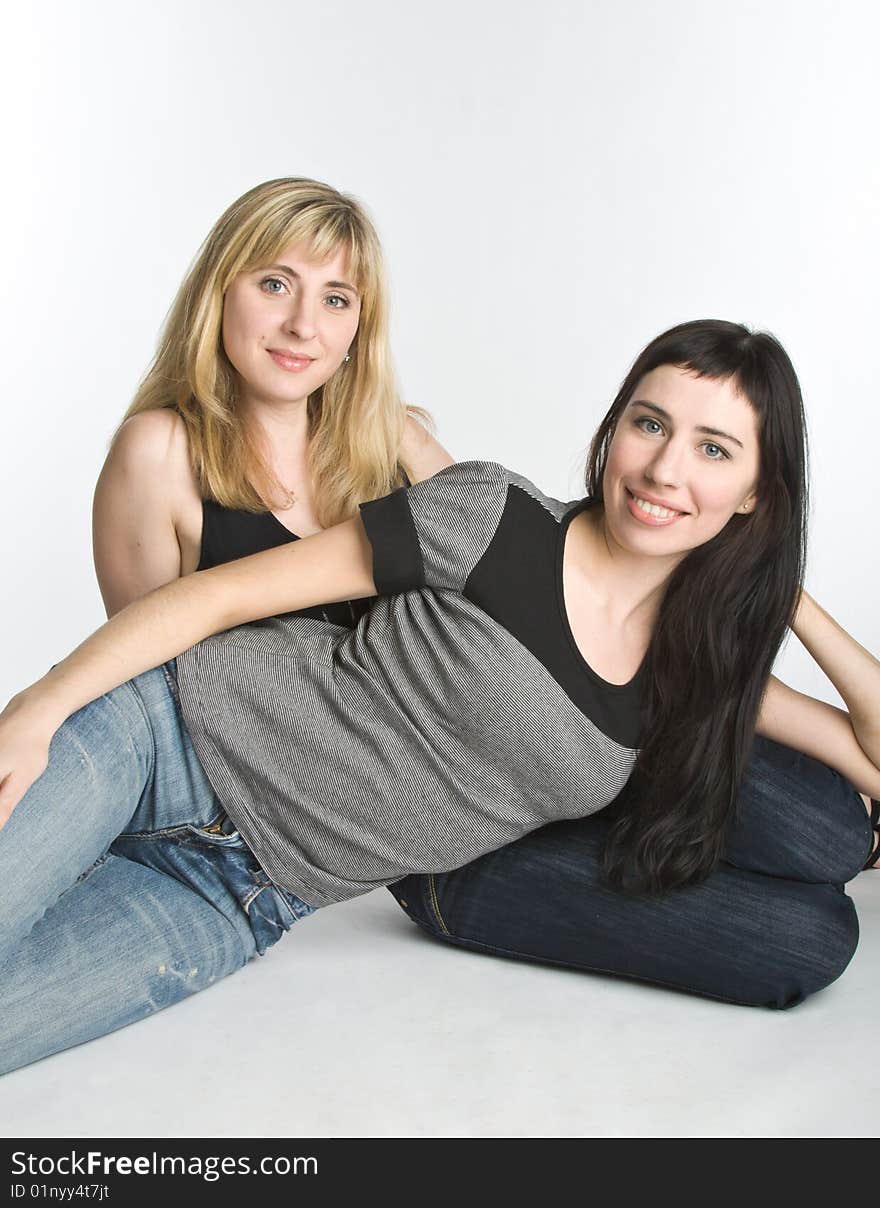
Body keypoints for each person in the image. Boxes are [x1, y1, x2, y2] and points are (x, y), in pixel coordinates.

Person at [1, 320, 878, 1076]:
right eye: (649, 424)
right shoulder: (494, 515)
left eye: (714, 450)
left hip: (239, 899)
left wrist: (778, 579)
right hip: (163, 742)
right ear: (614, 431)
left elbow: (869, 749)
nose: (663, 468)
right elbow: (222, 597)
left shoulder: (694, 665)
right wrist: (40, 708)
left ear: (756, 490)